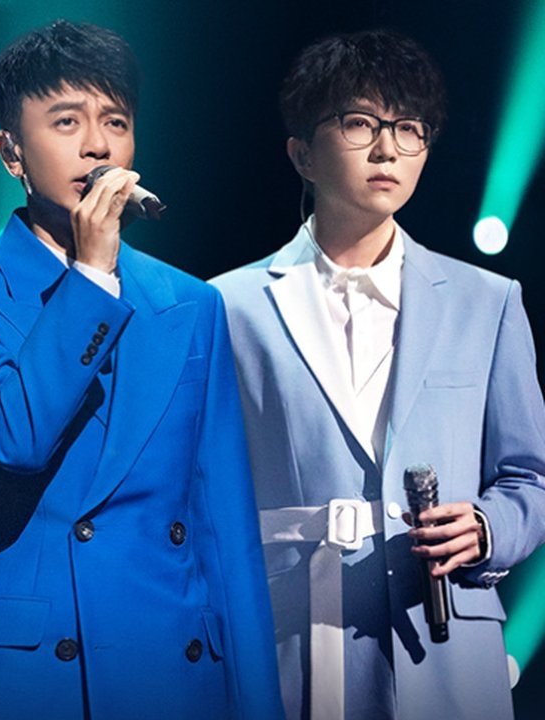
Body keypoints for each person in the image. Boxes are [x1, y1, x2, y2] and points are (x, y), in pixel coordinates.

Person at [0, 19, 282, 719]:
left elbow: (225, 528)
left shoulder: (192, 305)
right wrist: (93, 276)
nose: (98, 145)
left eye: (116, 121)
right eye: (66, 121)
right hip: (28, 675)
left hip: (168, 668)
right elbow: (16, 436)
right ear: (10, 151)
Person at [211, 29, 545, 720]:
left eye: (409, 128)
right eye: (360, 123)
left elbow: (530, 478)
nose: (388, 148)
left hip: (447, 648)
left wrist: (486, 527)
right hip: (289, 640)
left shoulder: (487, 302)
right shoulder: (225, 306)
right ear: (302, 154)